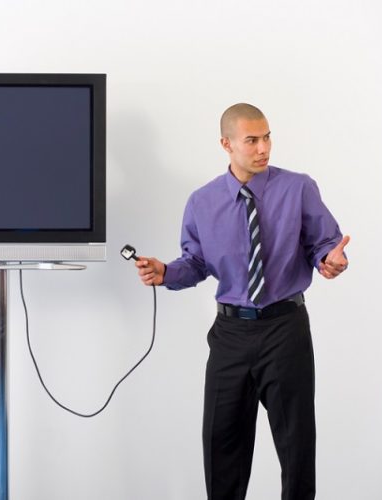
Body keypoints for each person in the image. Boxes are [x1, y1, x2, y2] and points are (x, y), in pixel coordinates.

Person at [136, 103, 349, 500]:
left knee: (297, 444)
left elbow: (323, 244)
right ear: (226, 144)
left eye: (267, 137)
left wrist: (330, 260)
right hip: (231, 335)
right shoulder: (202, 202)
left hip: (286, 329)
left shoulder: (298, 187)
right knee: (221, 446)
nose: (263, 148)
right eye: (252, 140)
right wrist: (166, 272)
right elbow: (196, 262)